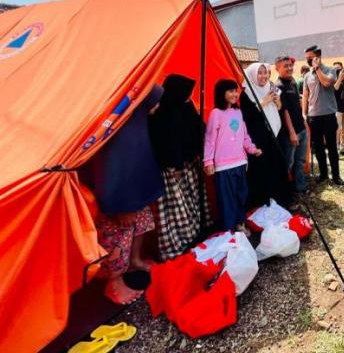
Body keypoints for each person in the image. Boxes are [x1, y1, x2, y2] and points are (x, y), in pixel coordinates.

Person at [86, 86, 165, 304]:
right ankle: (114, 281)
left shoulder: (135, 118)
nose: (158, 107)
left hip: (133, 190)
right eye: (156, 101)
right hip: (117, 194)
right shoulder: (119, 120)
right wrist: (121, 204)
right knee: (118, 236)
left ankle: (135, 260)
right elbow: (112, 163)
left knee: (143, 223)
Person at [148, 74, 210, 261]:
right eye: (187, 92)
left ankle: (196, 232)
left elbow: (197, 127)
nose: (190, 96)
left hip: (189, 162)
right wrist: (173, 164)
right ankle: (180, 241)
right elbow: (163, 142)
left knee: (192, 201)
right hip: (171, 168)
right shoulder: (161, 113)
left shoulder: (186, 106)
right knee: (177, 206)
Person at [204, 79, 262, 235]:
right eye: (230, 91)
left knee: (241, 195)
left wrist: (252, 149)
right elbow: (210, 139)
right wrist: (208, 160)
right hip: (223, 166)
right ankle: (229, 231)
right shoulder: (216, 113)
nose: (235, 94)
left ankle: (240, 223)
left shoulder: (238, 112)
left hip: (240, 163)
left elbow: (244, 136)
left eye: (235, 91)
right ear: (221, 93)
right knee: (226, 199)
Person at [240, 62, 293, 208]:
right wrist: (265, 101)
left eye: (265, 73)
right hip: (258, 138)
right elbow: (247, 116)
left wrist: (277, 103)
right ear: (253, 75)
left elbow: (280, 110)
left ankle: (281, 199)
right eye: (260, 73)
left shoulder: (272, 87)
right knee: (262, 169)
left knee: (278, 167)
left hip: (275, 135)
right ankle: (262, 201)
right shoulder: (247, 92)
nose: (264, 76)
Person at [303, 45, 343, 185]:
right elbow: (305, 95)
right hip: (314, 116)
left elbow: (326, 83)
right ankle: (324, 174)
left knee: (331, 146)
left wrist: (317, 68)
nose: (309, 61)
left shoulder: (330, 70)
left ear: (318, 57)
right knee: (318, 147)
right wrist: (304, 113)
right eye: (307, 59)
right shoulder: (307, 76)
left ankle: (336, 175)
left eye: (311, 58)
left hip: (328, 115)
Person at [274, 56, 308, 194]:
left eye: (290, 65)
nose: (289, 68)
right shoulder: (278, 86)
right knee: (288, 163)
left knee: (300, 161)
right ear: (277, 68)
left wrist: (304, 122)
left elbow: (296, 106)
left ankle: (300, 187)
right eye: (285, 66)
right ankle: (284, 193)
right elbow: (284, 111)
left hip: (301, 129)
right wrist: (292, 132)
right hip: (289, 133)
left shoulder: (292, 82)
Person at [332, 61, 344, 156]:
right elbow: (334, 88)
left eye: (339, 68)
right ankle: (334, 148)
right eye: (335, 68)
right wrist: (340, 78)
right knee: (337, 129)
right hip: (336, 107)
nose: (337, 70)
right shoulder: (333, 79)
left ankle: (343, 148)